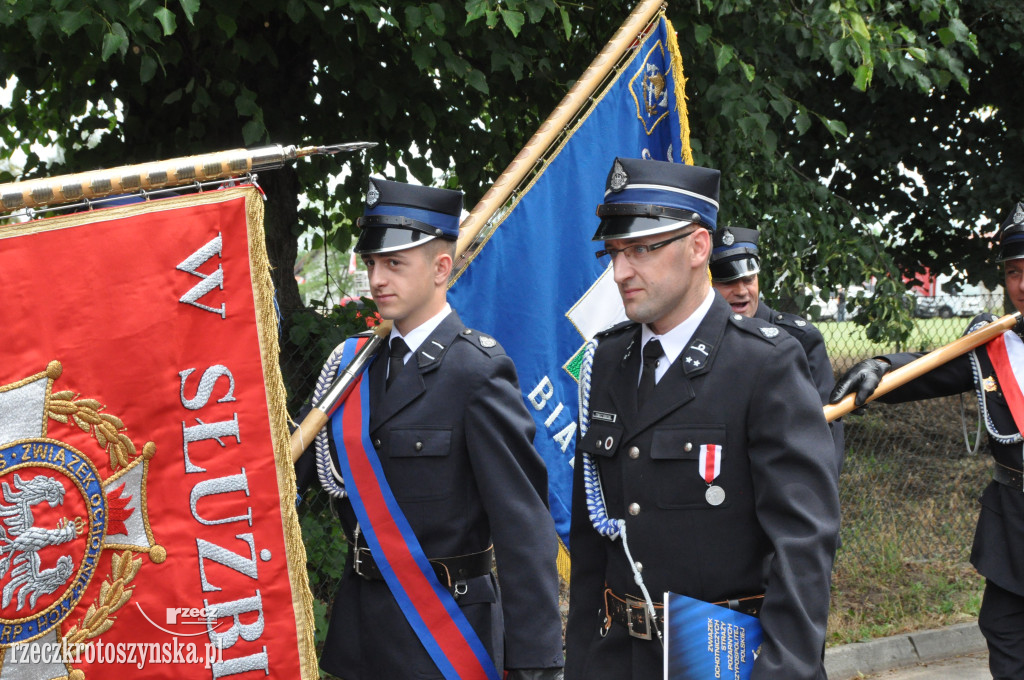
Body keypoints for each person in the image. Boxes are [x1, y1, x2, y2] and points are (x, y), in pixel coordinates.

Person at [564, 157, 840, 680]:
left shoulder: (764, 364)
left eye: (642, 250)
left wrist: (782, 671)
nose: (621, 272)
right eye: (616, 253)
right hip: (618, 659)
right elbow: (590, 545)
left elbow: (803, 547)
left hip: (725, 658)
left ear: (698, 248)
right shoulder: (604, 363)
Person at [297, 178, 564, 680]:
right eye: (373, 263)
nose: (377, 278)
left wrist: (536, 664)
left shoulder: (477, 372)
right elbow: (295, 477)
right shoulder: (354, 367)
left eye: (395, 264)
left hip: (444, 635)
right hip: (361, 636)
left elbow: (523, 527)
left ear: (442, 268)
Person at [830, 201, 1024, 680]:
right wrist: (880, 367)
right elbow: (931, 367)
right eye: (1016, 271)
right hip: (1015, 525)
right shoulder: (994, 343)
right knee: (1004, 630)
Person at [709, 225, 845, 474]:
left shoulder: (799, 339)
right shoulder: (697, 340)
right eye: (727, 280)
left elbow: (827, 428)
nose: (741, 291)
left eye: (748, 279)